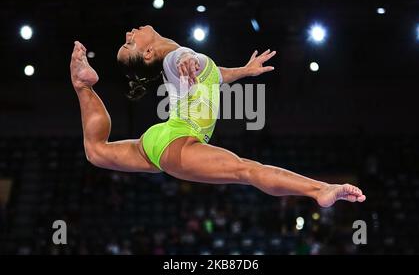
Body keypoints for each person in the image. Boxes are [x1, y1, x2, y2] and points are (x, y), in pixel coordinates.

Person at [70, 25, 366, 208]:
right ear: (148, 53)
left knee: (96, 151)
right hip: (178, 140)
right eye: (129, 43)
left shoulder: (180, 60)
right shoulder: (176, 59)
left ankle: (83, 86)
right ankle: (320, 190)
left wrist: (243, 70)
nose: (128, 34)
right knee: (246, 170)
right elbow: (185, 60)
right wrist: (188, 60)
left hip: (163, 137)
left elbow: (212, 74)